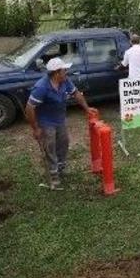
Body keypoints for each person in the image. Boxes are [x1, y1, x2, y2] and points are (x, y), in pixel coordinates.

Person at [25, 57, 97, 189]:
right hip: (46, 122)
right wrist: (35, 128)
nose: (67, 72)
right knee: (50, 147)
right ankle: (53, 176)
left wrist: (87, 108)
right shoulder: (42, 87)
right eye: (64, 70)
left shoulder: (65, 81)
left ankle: (61, 168)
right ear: (57, 73)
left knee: (64, 143)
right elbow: (29, 108)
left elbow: (76, 94)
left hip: (60, 119)